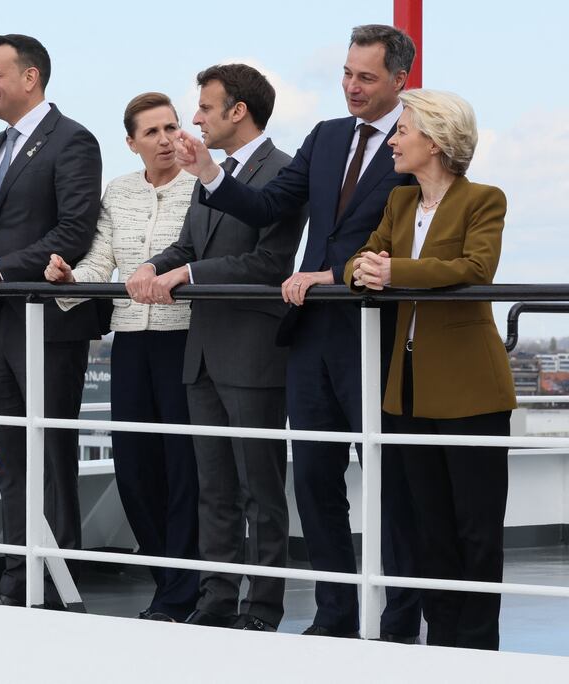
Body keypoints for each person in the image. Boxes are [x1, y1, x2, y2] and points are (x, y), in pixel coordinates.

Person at [173, 25, 421, 640]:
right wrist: (210, 174)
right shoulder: (327, 136)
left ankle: (399, 621)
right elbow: (268, 206)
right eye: (347, 73)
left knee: (391, 483)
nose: (351, 87)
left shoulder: (420, 142)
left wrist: (333, 274)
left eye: (366, 77)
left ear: (399, 80)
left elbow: (415, 239)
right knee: (312, 479)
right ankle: (335, 616)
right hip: (311, 334)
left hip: (379, 332)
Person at [127, 64, 307, 632]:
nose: (196, 118)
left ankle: (262, 609)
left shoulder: (283, 171)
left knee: (261, 491)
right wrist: (153, 265)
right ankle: (216, 600)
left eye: (205, 107)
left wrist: (185, 275)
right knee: (214, 489)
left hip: (253, 353)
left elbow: (269, 262)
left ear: (238, 111)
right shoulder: (210, 173)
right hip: (202, 352)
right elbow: (188, 245)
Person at [346, 89, 514, 650]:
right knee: (429, 525)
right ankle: (441, 643)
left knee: (476, 528)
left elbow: (475, 268)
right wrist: (363, 271)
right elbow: (358, 260)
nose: (393, 141)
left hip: (471, 390)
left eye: (403, 131)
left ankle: (478, 647)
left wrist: (393, 271)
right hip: (408, 389)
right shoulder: (399, 203)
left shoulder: (484, 199)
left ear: (436, 141)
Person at [0, 33, 105, 607]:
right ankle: (19, 576)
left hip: (48, 326)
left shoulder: (73, 141)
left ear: (30, 78)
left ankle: (60, 583)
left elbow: (74, 231)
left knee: (52, 457)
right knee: (12, 457)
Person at [44, 92, 200, 622]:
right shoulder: (119, 191)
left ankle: (181, 592)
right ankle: (168, 581)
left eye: (171, 128)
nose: (165, 140)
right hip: (130, 341)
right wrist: (70, 279)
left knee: (184, 469)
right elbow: (101, 260)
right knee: (134, 469)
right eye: (152, 132)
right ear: (132, 143)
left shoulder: (202, 186)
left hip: (185, 338)